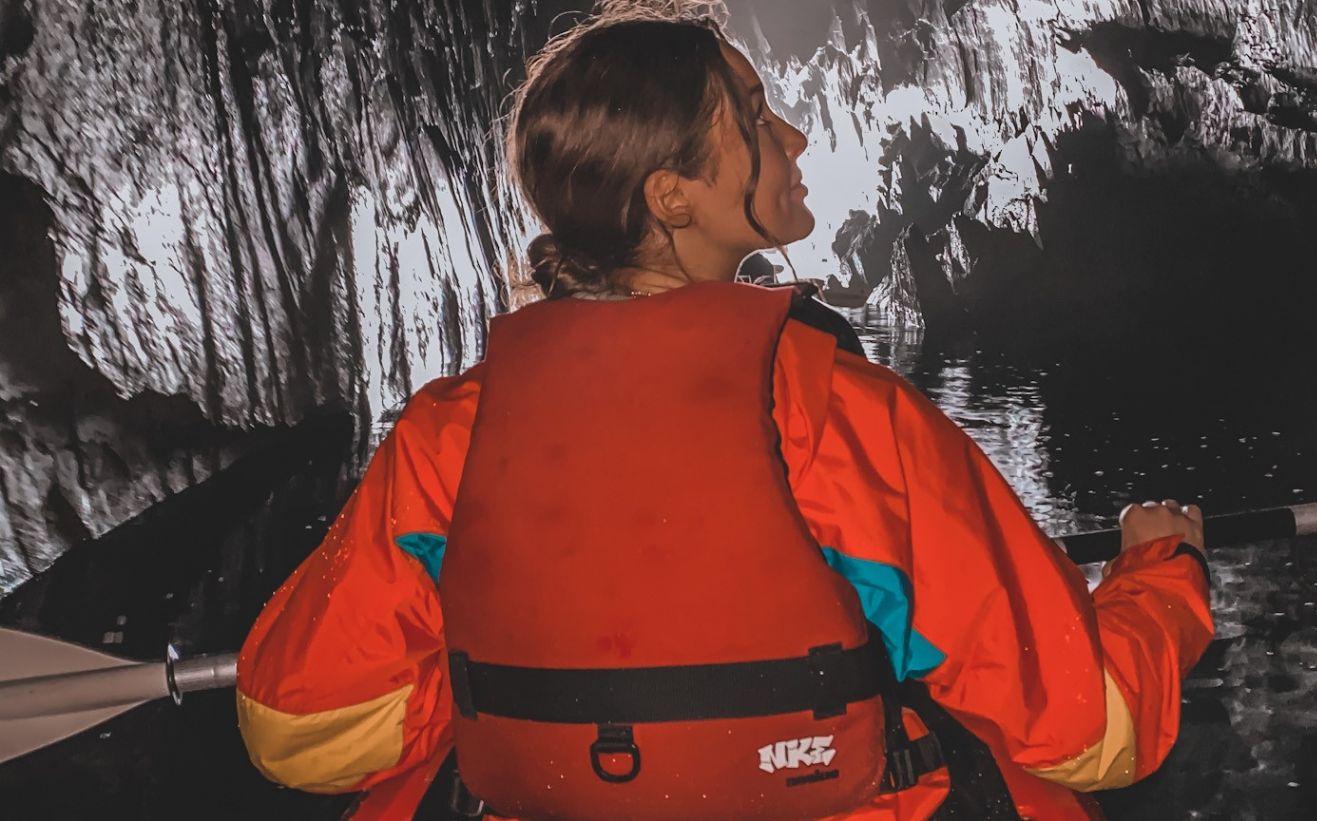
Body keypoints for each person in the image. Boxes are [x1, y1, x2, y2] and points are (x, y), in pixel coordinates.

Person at [234, 3, 1212, 819]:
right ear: (673, 198)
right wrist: (1163, 572)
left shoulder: (449, 435)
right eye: (754, 117)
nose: (794, 136)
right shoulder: (840, 415)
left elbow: (299, 726)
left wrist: (511, 694)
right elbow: (1093, 727)